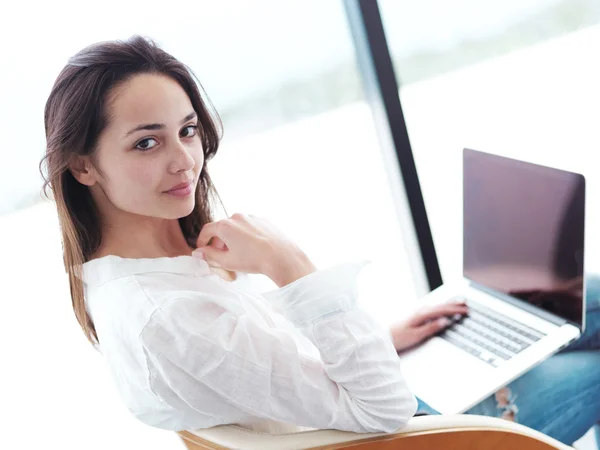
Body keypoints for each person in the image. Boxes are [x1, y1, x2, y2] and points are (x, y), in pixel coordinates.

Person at [39, 36, 599, 446]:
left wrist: (386, 337)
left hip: (382, 406)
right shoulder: (166, 318)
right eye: (145, 144)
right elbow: (385, 409)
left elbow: (264, 367)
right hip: (426, 433)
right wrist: (292, 266)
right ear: (83, 166)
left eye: (187, 130)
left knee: (580, 296)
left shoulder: (144, 276)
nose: (185, 159)